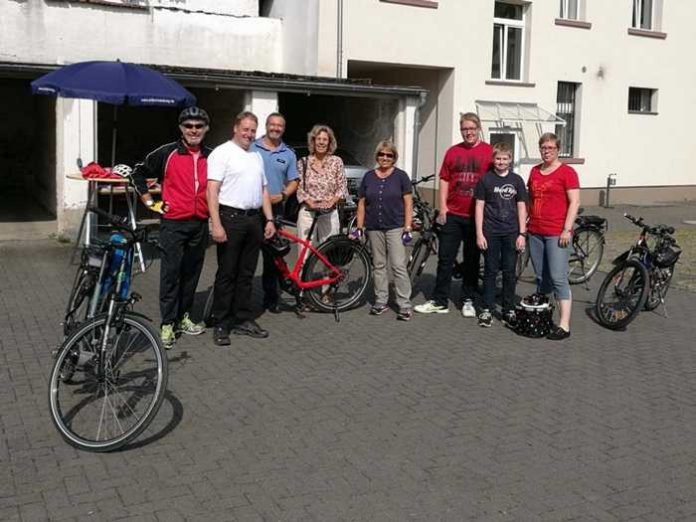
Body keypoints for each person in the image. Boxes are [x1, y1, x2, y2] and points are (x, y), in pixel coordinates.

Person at [132, 106, 212, 349]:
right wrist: (150, 203)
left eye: (199, 126)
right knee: (170, 274)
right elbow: (137, 173)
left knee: (191, 273)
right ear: (181, 128)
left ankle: (184, 317)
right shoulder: (167, 153)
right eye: (189, 126)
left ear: (206, 129)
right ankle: (167, 323)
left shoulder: (212, 155)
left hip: (200, 223)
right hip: (173, 223)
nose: (194, 130)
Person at [206, 111, 276, 346]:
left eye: (252, 130)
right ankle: (222, 322)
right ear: (235, 128)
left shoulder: (256, 156)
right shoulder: (222, 153)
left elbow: (264, 189)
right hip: (230, 219)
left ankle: (243, 318)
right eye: (245, 129)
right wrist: (216, 223)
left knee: (246, 273)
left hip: (254, 220)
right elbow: (212, 191)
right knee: (227, 273)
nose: (249, 134)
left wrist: (269, 220)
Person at [414, 112, 493, 316]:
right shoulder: (452, 152)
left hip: (476, 216)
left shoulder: (488, 152)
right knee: (445, 258)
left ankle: (468, 299)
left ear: (478, 128)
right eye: (465, 129)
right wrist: (443, 208)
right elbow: (444, 179)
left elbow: (496, 180)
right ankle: (440, 300)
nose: (468, 132)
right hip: (453, 214)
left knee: (472, 259)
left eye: (472, 129)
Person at [527, 132, 581, 340]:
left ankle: (564, 325)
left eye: (550, 148)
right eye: (543, 148)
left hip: (557, 233)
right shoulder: (534, 171)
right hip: (536, 232)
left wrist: (567, 229)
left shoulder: (567, 172)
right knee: (542, 278)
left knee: (558, 278)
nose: (546, 151)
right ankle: (543, 316)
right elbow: (530, 199)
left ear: (558, 149)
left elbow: (574, 202)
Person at [354, 140, 413, 321]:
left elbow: (408, 203)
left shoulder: (401, 176)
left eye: (389, 155)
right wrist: (359, 227)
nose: (385, 158)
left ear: (394, 157)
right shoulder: (369, 176)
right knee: (378, 265)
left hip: (395, 226)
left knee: (398, 266)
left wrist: (408, 227)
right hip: (374, 227)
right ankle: (381, 300)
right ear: (377, 156)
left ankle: (404, 304)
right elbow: (362, 203)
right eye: (381, 154)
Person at [474, 142, 528, 328]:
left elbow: (521, 207)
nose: (501, 162)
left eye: (505, 159)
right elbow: (479, 207)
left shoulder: (517, 181)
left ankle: (508, 309)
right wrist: (479, 233)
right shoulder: (486, 180)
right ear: (493, 159)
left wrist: (522, 233)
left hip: (511, 232)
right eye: (498, 158)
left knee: (509, 272)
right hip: (490, 232)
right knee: (490, 271)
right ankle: (487, 309)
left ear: (510, 160)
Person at [252, 113, 299, 314]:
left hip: (275, 210)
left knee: (273, 257)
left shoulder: (288, 153)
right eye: (272, 125)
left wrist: (283, 194)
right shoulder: (252, 147)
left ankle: (271, 299)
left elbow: (294, 181)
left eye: (280, 126)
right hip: (251, 209)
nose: (276, 128)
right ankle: (241, 299)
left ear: (283, 129)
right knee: (247, 255)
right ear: (267, 125)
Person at [296, 124, 348, 244]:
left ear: (330, 142)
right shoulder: (303, 162)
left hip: (329, 213)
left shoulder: (336, 162)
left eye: (325, 139)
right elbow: (299, 188)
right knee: (305, 254)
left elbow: (342, 187)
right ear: (313, 141)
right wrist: (311, 203)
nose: (321, 142)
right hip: (308, 213)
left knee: (330, 253)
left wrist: (331, 202)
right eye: (318, 139)